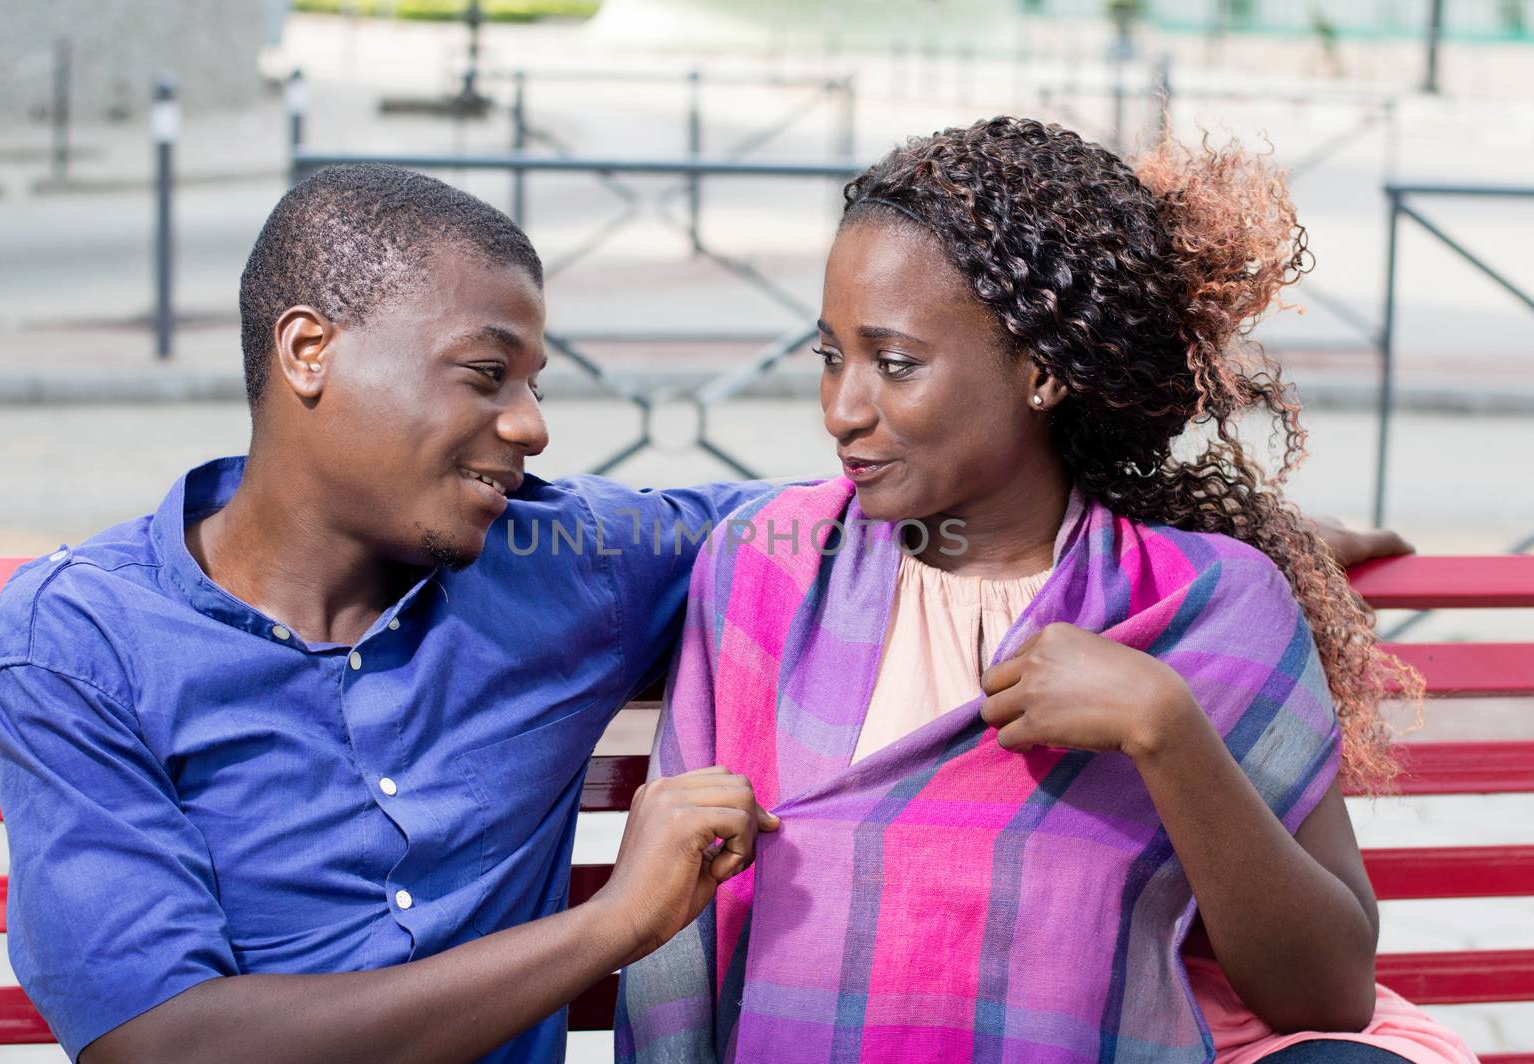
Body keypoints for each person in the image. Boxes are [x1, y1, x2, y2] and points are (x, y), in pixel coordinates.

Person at [616, 117, 1476, 1063]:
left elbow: (1330, 990)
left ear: (1043, 371)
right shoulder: (766, 568)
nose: (842, 409)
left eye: (895, 363)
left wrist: (1169, 734)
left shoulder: (1203, 608)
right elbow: (681, 930)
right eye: (831, 356)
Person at [0, 164, 782, 1064]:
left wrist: (977, 577)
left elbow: (858, 519)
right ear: (308, 351)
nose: (530, 427)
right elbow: (162, 1047)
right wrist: (613, 926)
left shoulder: (566, 562)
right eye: (486, 374)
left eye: (533, 385)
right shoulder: (81, 639)